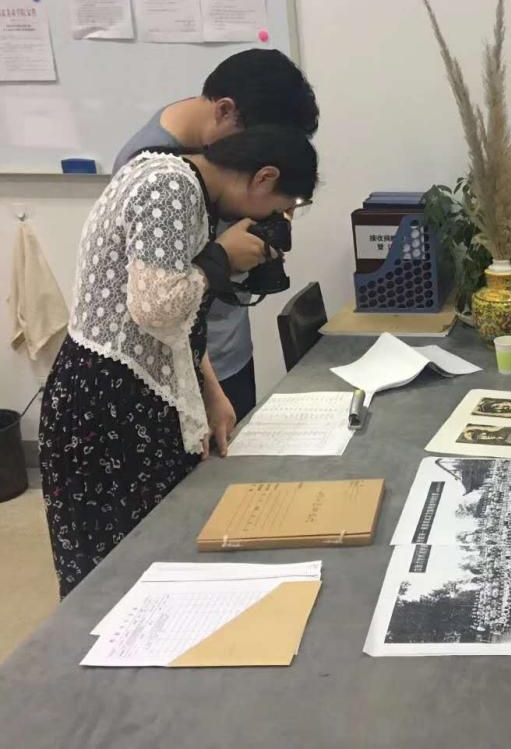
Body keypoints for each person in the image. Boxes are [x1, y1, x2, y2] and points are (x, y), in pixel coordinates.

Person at [40, 126, 318, 597]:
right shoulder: (171, 186)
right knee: (115, 577)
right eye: (283, 206)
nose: (277, 219)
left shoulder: (182, 180)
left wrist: (210, 391)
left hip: (135, 386)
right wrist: (221, 257)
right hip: (108, 404)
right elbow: (156, 306)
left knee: (159, 558)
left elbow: (174, 321)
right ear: (264, 177)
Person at [113, 49, 319, 421]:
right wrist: (223, 255)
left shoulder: (209, 151)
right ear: (224, 110)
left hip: (228, 346)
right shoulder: (157, 177)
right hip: (186, 369)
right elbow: (156, 302)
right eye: (261, 143)